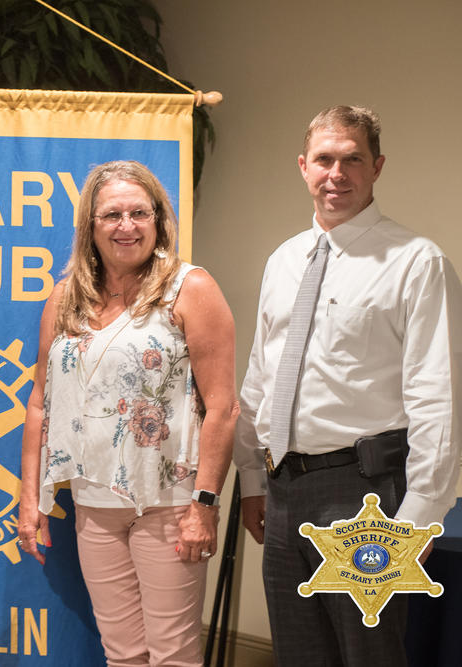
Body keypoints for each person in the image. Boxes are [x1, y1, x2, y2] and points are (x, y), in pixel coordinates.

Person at [234, 105, 462, 665]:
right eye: (324, 159)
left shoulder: (416, 262)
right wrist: (250, 479)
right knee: (300, 655)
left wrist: (422, 514)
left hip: (367, 498)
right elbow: (262, 376)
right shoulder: (284, 260)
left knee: (369, 656)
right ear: (303, 167)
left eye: (353, 159)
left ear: (377, 167)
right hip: (284, 491)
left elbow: (440, 396)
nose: (337, 173)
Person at [18, 161, 238, 666]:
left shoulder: (191, 288)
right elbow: (40, 403)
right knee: (122, 655)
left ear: (159, 221)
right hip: (95, 505)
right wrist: (30, 497)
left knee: (173, 656)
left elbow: (223, 408)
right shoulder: (66, 296)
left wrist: (204, 505)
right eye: (112, 214)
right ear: (90, 227)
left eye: (140, 213)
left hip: (171, 503)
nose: (127, 226)